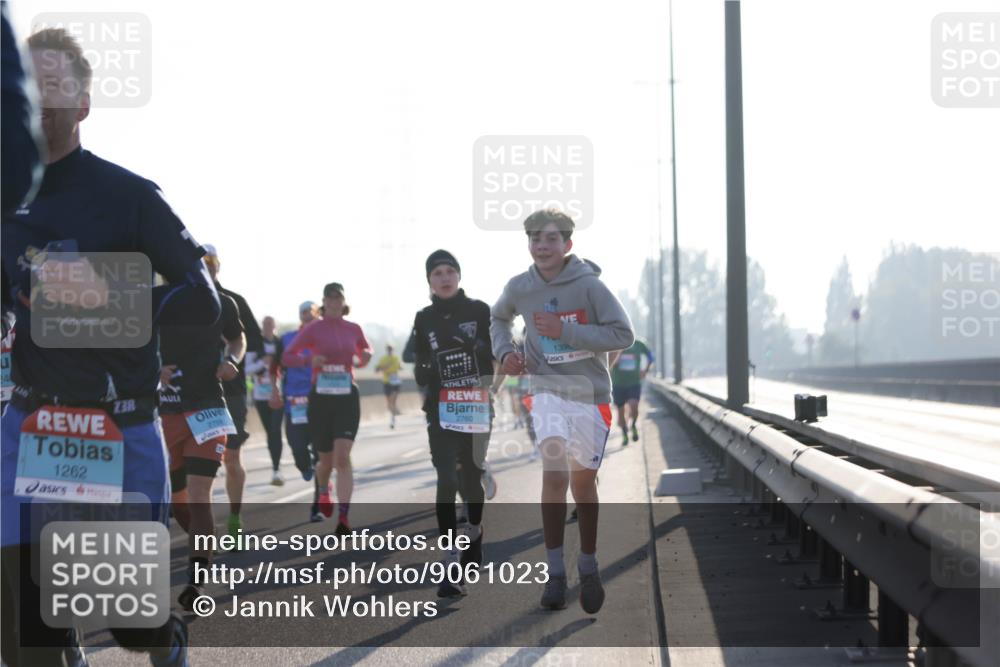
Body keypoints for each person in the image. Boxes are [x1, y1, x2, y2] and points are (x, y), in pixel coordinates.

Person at [0, 27, 219, 667]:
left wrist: (109, 302)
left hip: (117, 427)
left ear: (84, 102)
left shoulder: (129, 196)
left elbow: (201, 298)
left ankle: (164, 635)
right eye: (25, 82)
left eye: (55, 82)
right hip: (33, 423)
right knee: (24, 632)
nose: (39, 94)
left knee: (128, 618)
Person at [490, 208, 634, 615]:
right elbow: (497, 318)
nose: (542, 245)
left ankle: (587, 565)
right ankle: (555, 574)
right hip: (547, 391)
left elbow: (623, 334)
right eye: (535, 239)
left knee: (583, 486)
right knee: (554, 476)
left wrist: (564, 330)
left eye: (550, 238)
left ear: (568, 244)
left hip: (589, 394)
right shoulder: (520, 286)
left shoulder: (589, 285)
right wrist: (505, 351)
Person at [410, 250, 495, 597]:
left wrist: (476, 356)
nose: (444, 278)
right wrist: (429, 370)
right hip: (441, 410)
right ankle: (449, 562)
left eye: (449, 271)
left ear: (458, 276)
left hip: (474, 407)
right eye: (437, 273)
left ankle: (474, 532)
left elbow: (492, 356)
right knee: (446, 479)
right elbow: (419, 365)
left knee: (470, 482)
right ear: (429, 281)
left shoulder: (479, 310)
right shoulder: (423, 317)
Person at [159, 282, 245, 610]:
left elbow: (237, 338)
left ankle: (196, 583)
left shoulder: (222, 302)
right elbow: (127, 342)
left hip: (208, 409)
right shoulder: (154, 299)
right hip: (166, 412)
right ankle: (204, 543)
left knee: (199, 497)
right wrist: (153, 369)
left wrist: (232, 360)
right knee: (178, 502)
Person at [282, 283, 372, 535]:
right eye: (329, 299)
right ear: (324, 303)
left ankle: (344, 518)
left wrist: (365, 355)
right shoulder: (313, 329)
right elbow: (288, 356)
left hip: (346, 396)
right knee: (325, 462)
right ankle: (323, 490)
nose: (334, 303)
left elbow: (365, 348)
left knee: (343, 458)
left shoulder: (353, 328)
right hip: (320, 398)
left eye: (338, 299)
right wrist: (309, 359)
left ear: (343, 303)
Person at [201, 244, 263, 542]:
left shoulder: (233, 301)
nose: (207, 265)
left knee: (231, 456)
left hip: (232, 391)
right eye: (202, 261)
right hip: (194, 391)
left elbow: (255, 343)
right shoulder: (182, 300)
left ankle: (235, 518)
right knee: (201, 464)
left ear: (219, 265)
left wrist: (232, 357)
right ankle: (205, 524)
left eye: (211, 260)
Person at [277, 300, 323, 521]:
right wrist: (274, 390)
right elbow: (275, 366)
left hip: (319, 399)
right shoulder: (287, 339)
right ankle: (303, 466)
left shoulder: (324, 338)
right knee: (297, 447)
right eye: (304, 312)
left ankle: (318, 506)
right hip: (294, 402)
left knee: (320, 456)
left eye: (312, 312)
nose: (308, 315)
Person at [249, 315, 285, 485]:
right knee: (270, 433)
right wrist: (262, 364)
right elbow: (245, 369)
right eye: (265, 324)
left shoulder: (281, 344)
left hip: (278, 395)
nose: (268, 327)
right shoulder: (255, 344)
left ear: (275, 326)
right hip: (261, 396)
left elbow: (288, 367)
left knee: (276, 430)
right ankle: (275, 467)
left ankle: (276, 469)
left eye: (271, 324)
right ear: (261, 327)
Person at [610, 338, 654, 446]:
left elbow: (651, 357)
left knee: (634, 406)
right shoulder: (614, 343)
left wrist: (645, 370)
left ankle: (633, 425)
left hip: (634, 383)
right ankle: (624, 433)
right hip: (618, 384)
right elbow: (608, 364)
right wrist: (617, 354)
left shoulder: (639, 344)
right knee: (620, 414)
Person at [374, 344, 402, 428]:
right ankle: (393, 418)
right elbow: (377, 369)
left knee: (393, 401)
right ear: (387, 350)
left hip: (395, 382)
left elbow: (399, 367)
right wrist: (381, 368)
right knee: (389, 403)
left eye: (391, 349)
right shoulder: (383, 359)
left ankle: (393, 420)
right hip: (387, 382)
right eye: (389, 349)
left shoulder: (396, 358)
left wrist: (400, 367)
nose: (390, 351)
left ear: (393, 350)